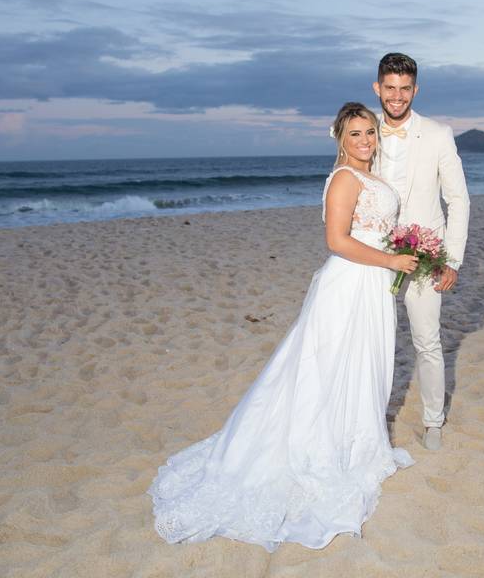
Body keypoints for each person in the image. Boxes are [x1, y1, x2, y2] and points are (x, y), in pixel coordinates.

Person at [147, 102, 418, 551]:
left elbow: (374, 229)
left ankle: (358, 441)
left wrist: (399, 255)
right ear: (340, 140)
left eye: (370, 132)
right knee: (327, 367)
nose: (365, 141)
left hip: (373, 286)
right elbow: (336, 240)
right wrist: (391, 258)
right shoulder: (345, 179)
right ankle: (319, 450)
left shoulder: (373, 177)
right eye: (355, 135)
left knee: (361, 366)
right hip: (349, 284)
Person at [374, 53, 470, 451]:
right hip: (374, 255)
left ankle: (433, 421)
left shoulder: (437, 133)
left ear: (415, 90)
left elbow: (458, 199)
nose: (397, 97)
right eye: (390, 88)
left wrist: (452, 259)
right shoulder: (362, 130)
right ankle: (371, 420)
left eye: (405, 89)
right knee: (372, 340)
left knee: (426, 341)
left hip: (425, 254)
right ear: (377, 88)